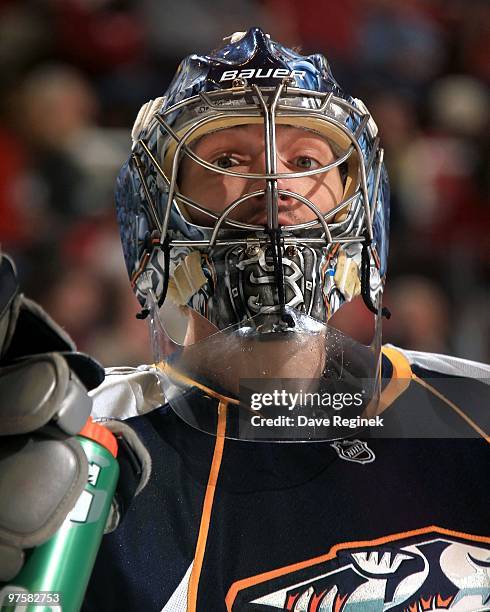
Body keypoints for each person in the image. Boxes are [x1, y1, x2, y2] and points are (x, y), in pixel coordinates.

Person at [1, 28, 488, 611]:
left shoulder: (474, 413)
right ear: (159, 219)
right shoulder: (86, 450)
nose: (277, 186)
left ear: (357, 207)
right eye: (230, 159)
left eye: (306, 160)